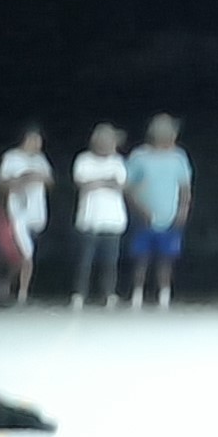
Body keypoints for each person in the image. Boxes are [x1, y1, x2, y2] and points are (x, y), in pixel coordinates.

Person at [124, 114, 194, 306]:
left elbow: (185, 187)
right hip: (144, 216)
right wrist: (139, 209)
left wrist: (183, 210)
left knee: (167, 258)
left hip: (170, 214)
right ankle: (137, 294)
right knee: (141, 257)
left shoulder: (179, 157)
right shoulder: (139, 156)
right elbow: (128, 187)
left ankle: (164, 295)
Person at [70, 123, 130, 306]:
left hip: (113, 219)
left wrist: (97, 182)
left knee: (110, 261)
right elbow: (82, 184)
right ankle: (80, 293)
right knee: (85, 260)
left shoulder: (118, 161)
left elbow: (120, 185)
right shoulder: (84, 160)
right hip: (89, 219)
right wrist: (106, 181)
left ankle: (108, 293)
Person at [0, 125, 55, 302]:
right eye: (34, 140)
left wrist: (40, 177)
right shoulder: (11, 157)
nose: (37, 144)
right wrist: (22, 179)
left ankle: (11, 287)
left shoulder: (41, 160)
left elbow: (50, 182)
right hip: (18, 211)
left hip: (37, 212)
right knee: (26, 252)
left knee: (25, 254)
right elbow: (1, 184)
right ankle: (22, 292)